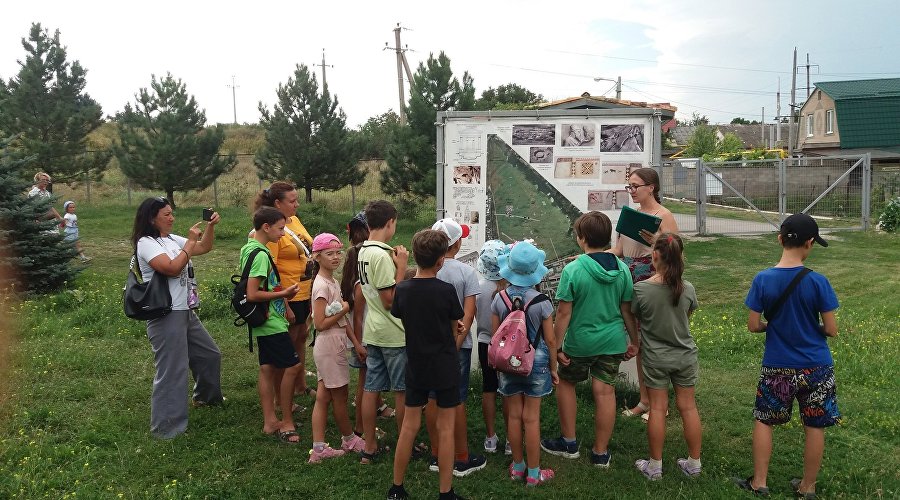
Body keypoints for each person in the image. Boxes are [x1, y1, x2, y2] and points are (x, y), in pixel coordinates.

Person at [733, 213, 840, 499]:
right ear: (809, 244)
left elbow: (754, 325)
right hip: (816, 367)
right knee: (815, 424)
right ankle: (808, 486)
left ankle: (760, 482)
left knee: (764, 419)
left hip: (777, 366)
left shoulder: (763, 279)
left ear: (779, 239)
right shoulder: (819, 282)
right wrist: (812, 326)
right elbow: (831, 329)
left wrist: (772, 325)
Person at [541, 211, 638, 468]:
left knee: (567, 383)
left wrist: (557, 346)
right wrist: (635, 340)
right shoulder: (622, 269)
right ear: (607, 238)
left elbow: (563, 312)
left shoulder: (573, 269)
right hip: (613, 342)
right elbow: (627, 310)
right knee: (605, 391)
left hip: (580, 344)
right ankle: (600, 452)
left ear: (581, 238)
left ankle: (569, 442)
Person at [131, 196, 223, 439]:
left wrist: (210, 228)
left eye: (172, 213)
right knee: (173, 370)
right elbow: (172, 268)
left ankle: (205, 398)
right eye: (167, 215)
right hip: (165, 314)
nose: (172, 218)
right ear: (152, 218)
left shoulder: (171, 239)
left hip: (185, 311)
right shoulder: (146, 243)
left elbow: (204, 247)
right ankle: (166, 428)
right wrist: (190, 243)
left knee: (209, 354)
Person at [387, 228, 466, 500]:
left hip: (416, 365)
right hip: (444, 365)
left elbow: (400, 313)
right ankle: (445, 492)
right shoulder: (446, 291)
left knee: (409, 426)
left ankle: (397, 488)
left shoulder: (404, 290)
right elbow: (455, 321)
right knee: (446, 429)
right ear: (441, 260)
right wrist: (456, 326)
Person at [630, 233, 702, 480]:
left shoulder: (640, 289)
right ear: (681, 257)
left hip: (655, 359)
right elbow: (687, 315)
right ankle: (694, 463)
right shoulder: (689, 288)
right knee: (688, 407)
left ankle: (655, 466)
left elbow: (636, 317)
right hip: (685, 357)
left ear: (655, 256)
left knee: (658, 409)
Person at [612, 167, 678, 422]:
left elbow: (676, 256)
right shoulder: (633, 215)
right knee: (638, 341)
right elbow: (619, 249)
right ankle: (644, 400)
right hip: (629, 276)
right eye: (629, 186)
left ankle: (660, 403)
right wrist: (591, 255)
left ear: (651, 187)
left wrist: (656, 242)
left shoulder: (664, 216)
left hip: (652, 279)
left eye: (635, 186)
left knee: (652, 342)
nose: (632, 191)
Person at [492, 240, 558, 487]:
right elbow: (550, 339)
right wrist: (553, 367)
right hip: (537, 362)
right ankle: (533, 473)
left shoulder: (499, 298)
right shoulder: (542, 301)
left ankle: (517, 467)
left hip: (508, 361)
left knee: (514, 416)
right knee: (532, 418)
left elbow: (497, 331)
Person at [426, 218, 486, 477]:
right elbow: (468, 314)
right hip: (458, 347)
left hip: (429, 345)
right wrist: (456, 344)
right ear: (457, 243)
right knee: (456, 399)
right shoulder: (466, 272)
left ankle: (436, 452)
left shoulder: (428, 270)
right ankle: (461, 457)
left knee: (431, 397)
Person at [240, 207, 303, 444]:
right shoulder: (261, 254)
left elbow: (269, 284)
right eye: (280, 228)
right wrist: (284, 294)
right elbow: (253, 293)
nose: (284, 234)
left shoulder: (250, 248)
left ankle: (270, 421)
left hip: (268, 319)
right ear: (266, 227)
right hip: (270, 322)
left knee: (268, 369)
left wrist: (284, 302)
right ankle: (286, 421)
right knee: (293, 366)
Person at [254, 182, 316, 405]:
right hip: (287, 295)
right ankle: (282, 396)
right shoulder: (271, 230)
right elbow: (272, 269)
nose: (297, 204)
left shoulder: (294, 221)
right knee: (287, 345)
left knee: (301, 337)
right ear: (277, 203)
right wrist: (285, 304)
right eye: (292, 201)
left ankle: (299, 385)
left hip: (304, 291)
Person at [357, 200, 409, 464]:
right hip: (393, 332)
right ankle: (404, 443)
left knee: (371, 388)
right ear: (390, 222)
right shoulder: (382, 255)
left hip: (372, 330)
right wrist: (401, 267)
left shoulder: (364, 250)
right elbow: (391, 300)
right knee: (401, 390)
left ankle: (369, 446)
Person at [308, 232, 367, 462]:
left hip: (335, 343)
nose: (335, 257)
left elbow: (343, 321)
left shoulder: (331, 281)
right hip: (330, 345)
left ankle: (319, 448)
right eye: (329, 254)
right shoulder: (322, 286)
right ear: (317, 256)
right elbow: (320, 323)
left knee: (323, 397)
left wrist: (355, 343)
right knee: (340, 397)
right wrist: (344, 309)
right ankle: (349, 439)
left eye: (338, 252)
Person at [341, 211, 394, 439]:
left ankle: (371, 417)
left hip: (364, 334)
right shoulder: (361, 283)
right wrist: (359, 344)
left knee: (369, 383)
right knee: (366, 384)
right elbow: (361, 314)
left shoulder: (356, 261)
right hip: (367, 336)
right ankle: (362, 428)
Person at [475, 240, 510, 455]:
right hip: (508, 346)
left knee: (488, 389)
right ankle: (510, 438)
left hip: (485, 343)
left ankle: (490, 437)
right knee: (508, 391)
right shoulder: (509, 290)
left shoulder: (478, 289)